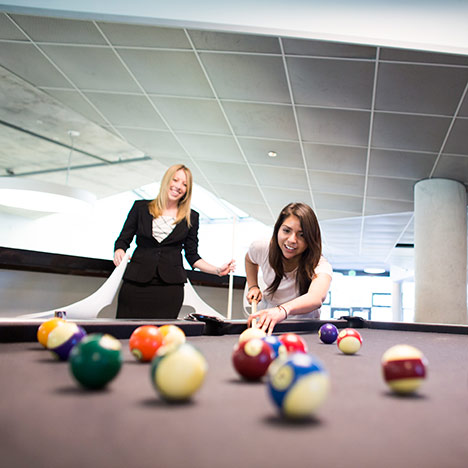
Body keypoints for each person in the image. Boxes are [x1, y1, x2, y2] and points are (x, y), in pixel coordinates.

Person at [113, 163, 235, 319]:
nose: (178, 186)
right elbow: (123, 240)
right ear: (167, 180)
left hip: (170, 288)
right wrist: (119, 251)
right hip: (136, 283)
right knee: (126, 333)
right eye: (175, 180)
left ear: (187, 191)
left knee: (162, 337)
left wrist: (217, 270)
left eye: (184, 184)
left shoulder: (191, 217)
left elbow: (192, 255)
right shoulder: (140, 207)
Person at [245, 202, 332, 334]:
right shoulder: (261, 248)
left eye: (301, 235)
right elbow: (249, 260)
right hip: (267, 323)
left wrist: (282, 311)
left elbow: (316, 297)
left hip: (303, 329)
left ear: (310, 239)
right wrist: (253, 286)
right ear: (277, 229)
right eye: (286, 230)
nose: (292, 240)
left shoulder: (320, 264)